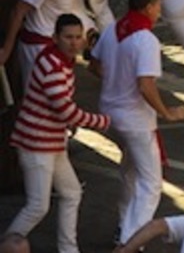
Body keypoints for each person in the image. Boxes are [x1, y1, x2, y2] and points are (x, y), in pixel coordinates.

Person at [90, 0, 184, 247]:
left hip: (109, 114)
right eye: (157, 6)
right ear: (147, 7)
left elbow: (94, 65)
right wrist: (167, 112)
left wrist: (115, 79)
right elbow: (146, 85)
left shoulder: (112, 30)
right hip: (135, 121)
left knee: (131, 172)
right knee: (150, 183)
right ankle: (129, 240)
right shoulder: (146, 40)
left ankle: (124, 224)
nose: (159, 11)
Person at [4, 14, 110, 252]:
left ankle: (68, 249)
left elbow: (61, 108)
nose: (74, 42)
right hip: (37, 144)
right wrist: (100, 121)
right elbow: (66, 110)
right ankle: (9, 246)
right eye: (68, 37)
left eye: (77, 37)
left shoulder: (58, 60)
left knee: (71, 192)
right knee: (38, 206)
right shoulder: (53, 65)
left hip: (49, 141)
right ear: (55, 38)